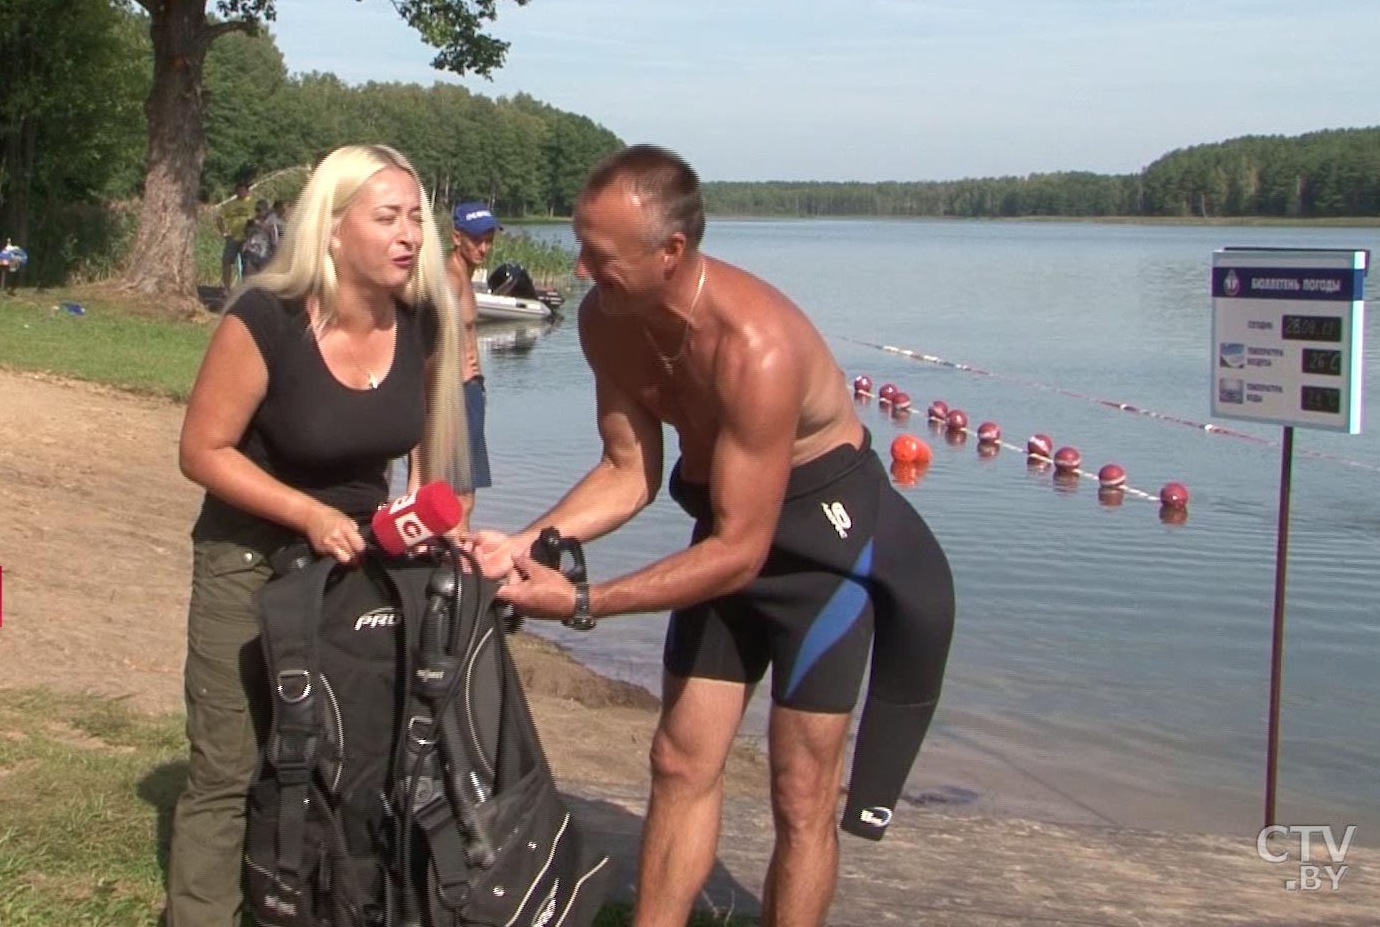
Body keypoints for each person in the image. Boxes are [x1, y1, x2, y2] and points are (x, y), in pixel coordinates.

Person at [476, 145, 955, 927]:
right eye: (579, 243)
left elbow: (741, 551)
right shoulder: (608, 321)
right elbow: (628, 471)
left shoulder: (755, 347)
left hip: (821, 561)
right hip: (727, 545)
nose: (583, 269)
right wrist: (524, 541)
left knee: (800, 794)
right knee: (677, 759)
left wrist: (584, 600)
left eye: (601, 255)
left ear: (671, 252)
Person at [170, 144, 469, 927]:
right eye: (387, 217)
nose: (409, 235)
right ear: (333, 230)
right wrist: (305, 512)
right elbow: (201, 451)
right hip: (250, 553)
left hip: (353, 565)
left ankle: (316, 902)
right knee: (229, 763)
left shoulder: (425, 317)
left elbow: (434, 460)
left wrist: (438, 522)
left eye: (416, 218)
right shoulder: (264, 317)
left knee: (340, 753)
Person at [445, 202, 500, 527]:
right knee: (459, 498)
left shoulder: (463, 276)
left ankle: (454, 560)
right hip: (456, 393)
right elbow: (433, 341)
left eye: (489, 240)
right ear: (456, 237)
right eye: (477, 240)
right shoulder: (449, 279)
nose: (484, 247)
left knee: (465, 496)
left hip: (470, 390)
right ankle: (458, 565)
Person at [216, 172, 254, 296]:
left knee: (247, 264)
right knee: (227, 261)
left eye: (243, 190)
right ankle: (227, 288)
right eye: (238, 190)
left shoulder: (252, 203)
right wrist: (223, 232)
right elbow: (219, 218)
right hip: (233, 237)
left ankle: (245, 289)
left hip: (247, 239)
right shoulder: (230, 205)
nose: (240, 192)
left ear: (247, 191)